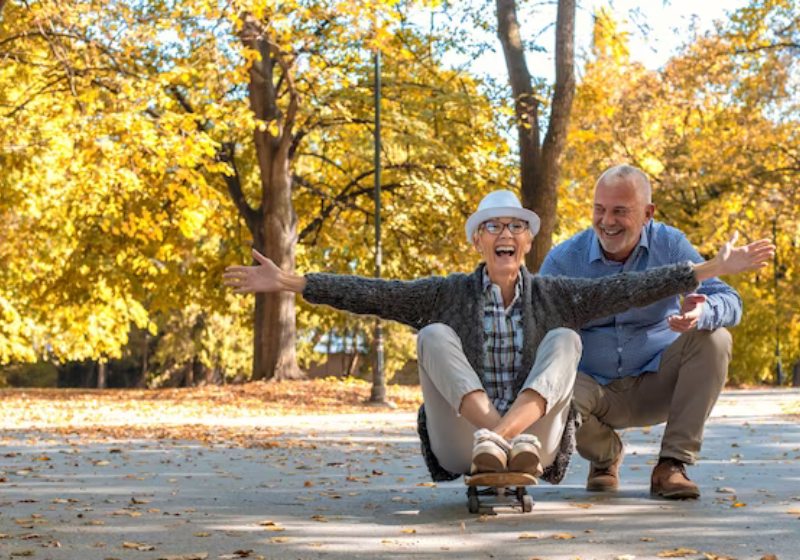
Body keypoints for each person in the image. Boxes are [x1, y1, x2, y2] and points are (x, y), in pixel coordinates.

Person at [224, 189, 772, 485]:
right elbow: (373, 292)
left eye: (514, 227)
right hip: (464, 440)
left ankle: (508, 437)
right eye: (492, 227)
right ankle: (495, 435)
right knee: (434, 334)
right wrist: (291, 281)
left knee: (564, 339)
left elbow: (638, 287)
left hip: (538, 443)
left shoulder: (558, 293)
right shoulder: (446, 293)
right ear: (477, 243)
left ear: (528, 242)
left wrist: (705, 268)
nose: (504, 234)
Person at [540, 165, 749, 499]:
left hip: (658, 381)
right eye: (600, 209)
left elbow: (730, 300)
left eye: (620, 211)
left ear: (648, 213)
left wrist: (702, 311)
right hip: (591, 388)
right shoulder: (564, 259)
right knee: (542, 388)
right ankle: (606, 456)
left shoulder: (670, 244)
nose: (607, 221)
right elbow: (537, 330)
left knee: (716, 337)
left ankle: (672, 465)